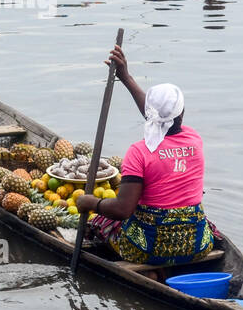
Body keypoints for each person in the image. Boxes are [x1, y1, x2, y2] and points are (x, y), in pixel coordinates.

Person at [74, 45, 221, 267]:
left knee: (103, 221)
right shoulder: (195, 140)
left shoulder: (139, 152)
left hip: (147, 250)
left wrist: (90, 202)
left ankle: (153, 270)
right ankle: (164, 273)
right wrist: (126, 77)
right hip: (197, 245)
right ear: (181, 113)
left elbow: (123, 210)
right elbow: (158, 116)